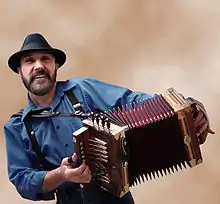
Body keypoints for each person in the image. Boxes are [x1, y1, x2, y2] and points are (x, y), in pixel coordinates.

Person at [4, 33, 214, 204]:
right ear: (19, 71)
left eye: (45, 59)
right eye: (29, 61)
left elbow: (133, 101)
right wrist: (61, 174)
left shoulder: (82, 90)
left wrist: (184, 106)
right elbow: (23, 181)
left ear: (55, 66)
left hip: (115, 198)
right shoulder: (17, 126)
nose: (38, 66)